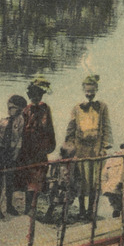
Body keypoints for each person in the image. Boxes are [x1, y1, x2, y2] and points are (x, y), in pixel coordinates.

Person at [66, 73, 113, 219]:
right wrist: (69, 145)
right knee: (81, 180)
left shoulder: (102, 107)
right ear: (83, 90)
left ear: (96, 90)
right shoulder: (77, 108)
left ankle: (91, 211)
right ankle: (81, 210)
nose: (89, 94)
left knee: (95, 182)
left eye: (92, 91)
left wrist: (104, 146)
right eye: (87, 91)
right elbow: (71, 127)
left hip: (96, 149)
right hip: (81, 149)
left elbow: (106, 127)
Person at [15, 76, 57, 216]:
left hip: (40, 149)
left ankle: (33, 207)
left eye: (39, 94)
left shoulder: (45, 109)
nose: (36, 97)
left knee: (39, 178)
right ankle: (28, 208)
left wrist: (51, 144)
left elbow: (49, 127)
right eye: (33, 95)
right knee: (29, 178)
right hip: (28, 150)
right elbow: (20, 131)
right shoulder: (25, 111)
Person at [0, 94, 26, 217]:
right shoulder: (1, 117)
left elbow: (19, 137)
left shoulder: (20, 119)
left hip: (11, 150)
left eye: (17, 109)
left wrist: (15, 153)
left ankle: (9, 206)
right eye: (11, 107)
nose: (13, 111)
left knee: (10, 179)